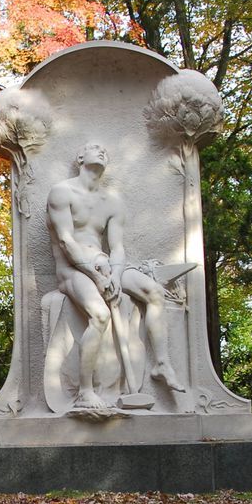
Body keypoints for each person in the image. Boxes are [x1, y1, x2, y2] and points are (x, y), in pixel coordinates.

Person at [45, 142, 185, 412]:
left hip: (107, 266)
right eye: (94, 148)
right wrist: (97, 277)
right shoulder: (62, 192)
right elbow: (65, 241)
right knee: (100, 315)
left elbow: (117, 247)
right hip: (73, 270)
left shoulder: (112, 202)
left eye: (105, 151)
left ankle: (162, 364)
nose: (102, 151)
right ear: (79, 156)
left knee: (153, 292)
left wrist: (116, 277)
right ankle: (86, 392)